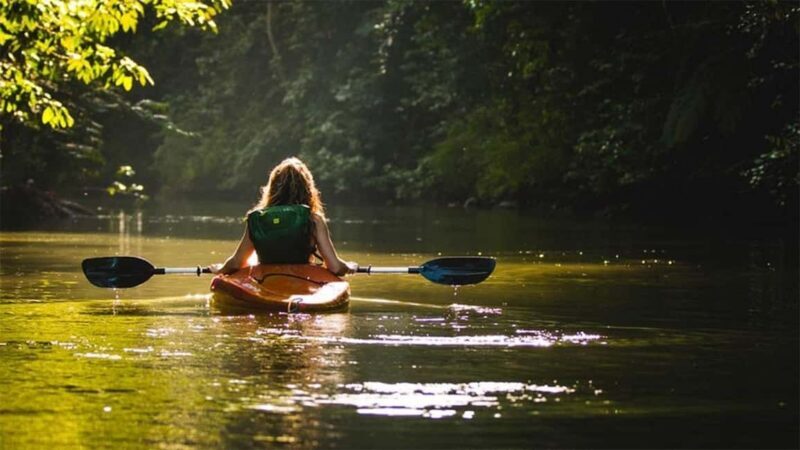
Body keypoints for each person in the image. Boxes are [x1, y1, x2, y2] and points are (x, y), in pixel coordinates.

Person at [209, 157, 357, 276]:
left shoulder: (258, 219)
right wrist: (349, 266)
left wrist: (221, 269)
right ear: (307, 189)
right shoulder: (314, 220)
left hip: (265, 281)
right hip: (302, 281)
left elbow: (237, 263)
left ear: (272, 187)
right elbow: (336, 268)